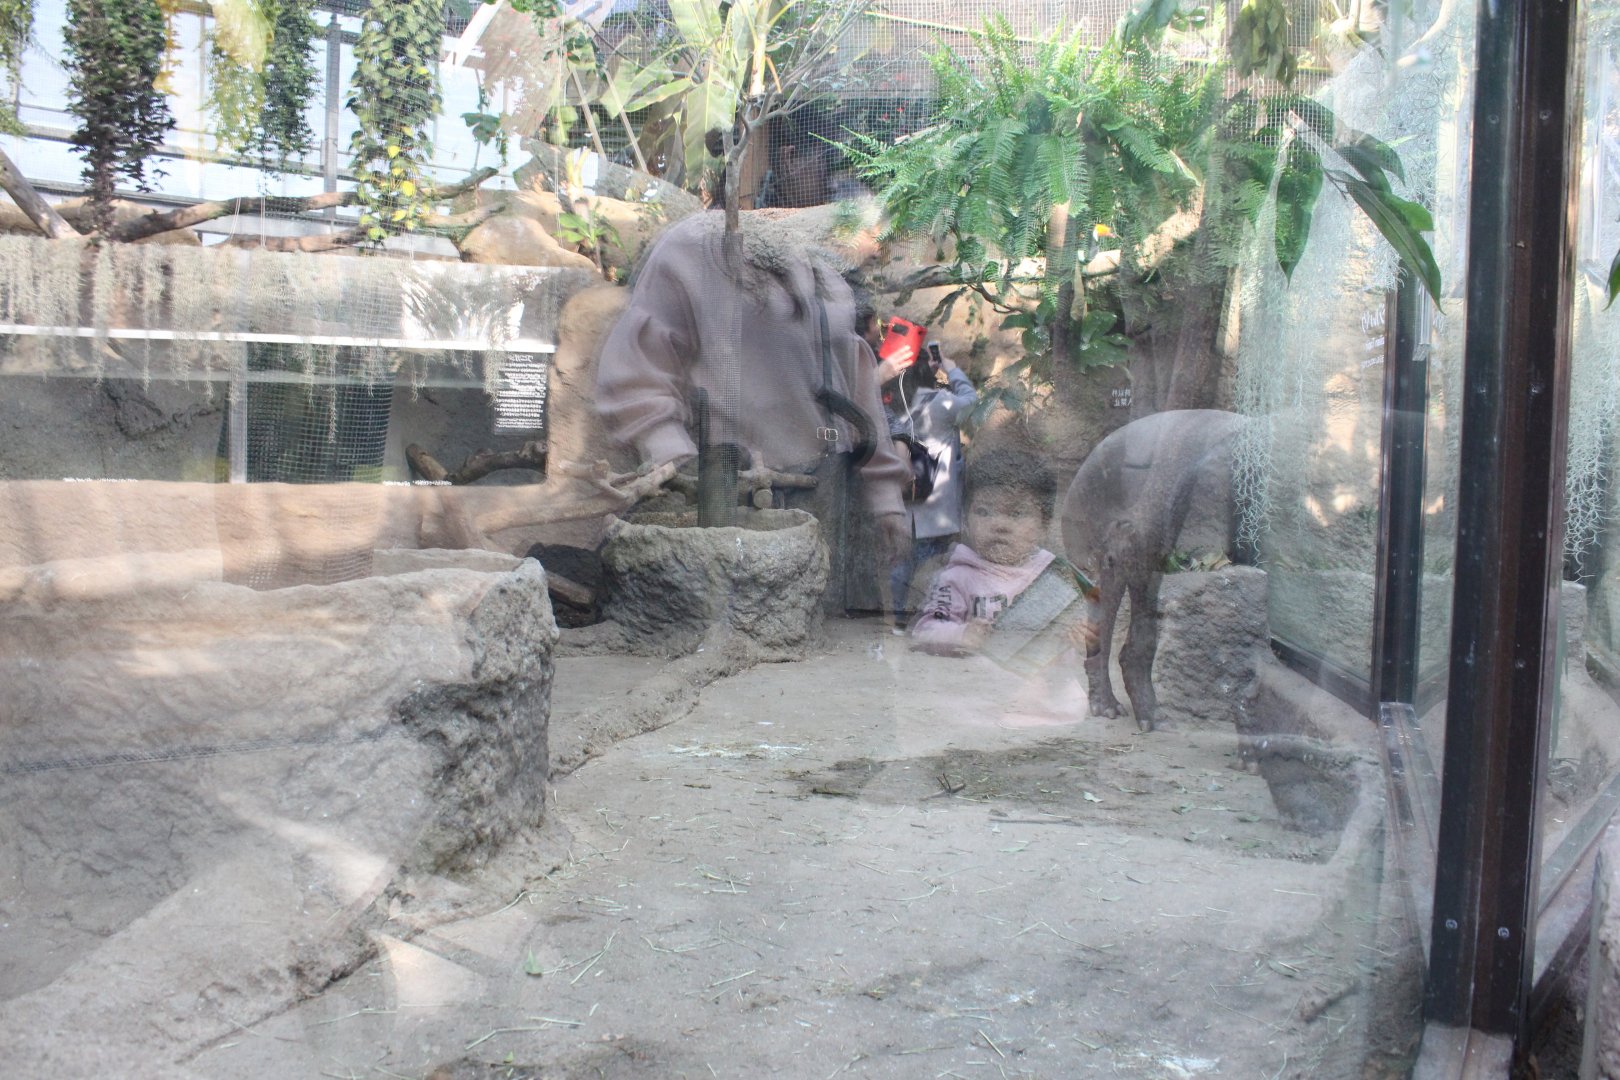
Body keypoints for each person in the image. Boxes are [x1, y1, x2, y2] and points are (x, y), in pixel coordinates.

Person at [594, 211, 910, 605]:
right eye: (869, 228)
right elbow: (638, 367)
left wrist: (885, 499)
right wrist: (678, 470)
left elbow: (853, 382)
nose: (879, 246)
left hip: (829, 496)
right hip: (732, 499)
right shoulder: (696, 246)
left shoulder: (823, 271)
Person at [909, 449, 1094, 656]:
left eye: (1017, 513)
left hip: (1050, 683)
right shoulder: (957, 578)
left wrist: (1083, 639)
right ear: (966, 521)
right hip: (983, 682)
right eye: (984, 511)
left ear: (1044, 526)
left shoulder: (1057, 575)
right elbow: (925, 629)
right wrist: (961, 634)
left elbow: (1090, 624)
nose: (1000, 525)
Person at [876, 337, 977, 616]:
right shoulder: (940, 404)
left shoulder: (891, 409)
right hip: (938, 512)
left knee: (901, 564)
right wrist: (952, 369)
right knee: (937, 566)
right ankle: (933, 617)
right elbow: (971, 401)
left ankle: (897, 618)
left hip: (906, 506)